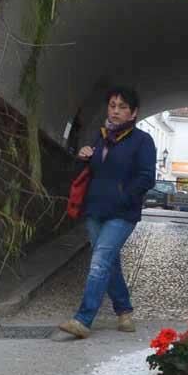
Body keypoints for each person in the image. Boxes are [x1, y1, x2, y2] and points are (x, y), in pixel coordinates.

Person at [57, 87, 157, 340]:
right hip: (95, 210)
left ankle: (83, 319)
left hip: (122, 214)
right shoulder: (99, 137)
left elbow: (147, 178)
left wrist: (123, 197)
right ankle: (124, 311)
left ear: (133, 113)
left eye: (122, 106)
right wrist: (83, 157)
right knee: (109, 261)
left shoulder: (142, 141)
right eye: (112, 105)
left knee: (100, 260)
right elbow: (88, 172)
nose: (115, 110)